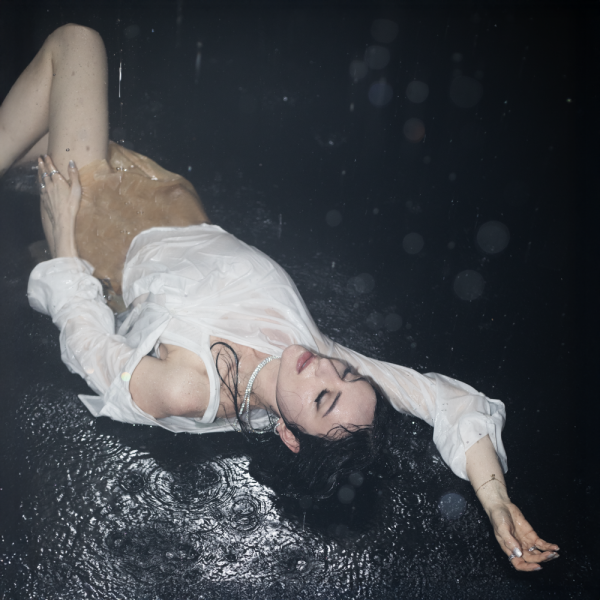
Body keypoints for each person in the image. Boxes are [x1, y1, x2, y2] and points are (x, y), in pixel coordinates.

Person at [0, 24, 559, 572]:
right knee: (33, 131)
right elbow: (445, 401)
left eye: (323, 398)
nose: (326, 369)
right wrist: (497, 503)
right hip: (164, 193)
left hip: (101, 220)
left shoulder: (188, 389)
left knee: (76, 45)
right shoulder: (311, 355)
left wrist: (64, 238)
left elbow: (89, 349)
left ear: (288, 434)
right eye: (347, 374)